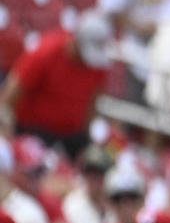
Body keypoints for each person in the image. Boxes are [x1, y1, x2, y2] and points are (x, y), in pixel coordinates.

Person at [0, 9, 112, 158]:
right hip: (33, 131)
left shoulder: (97, 66)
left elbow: (92, 102)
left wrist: (88, 137)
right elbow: (9, 94)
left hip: (71, 135)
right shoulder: (45, 52)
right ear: (76, 41)